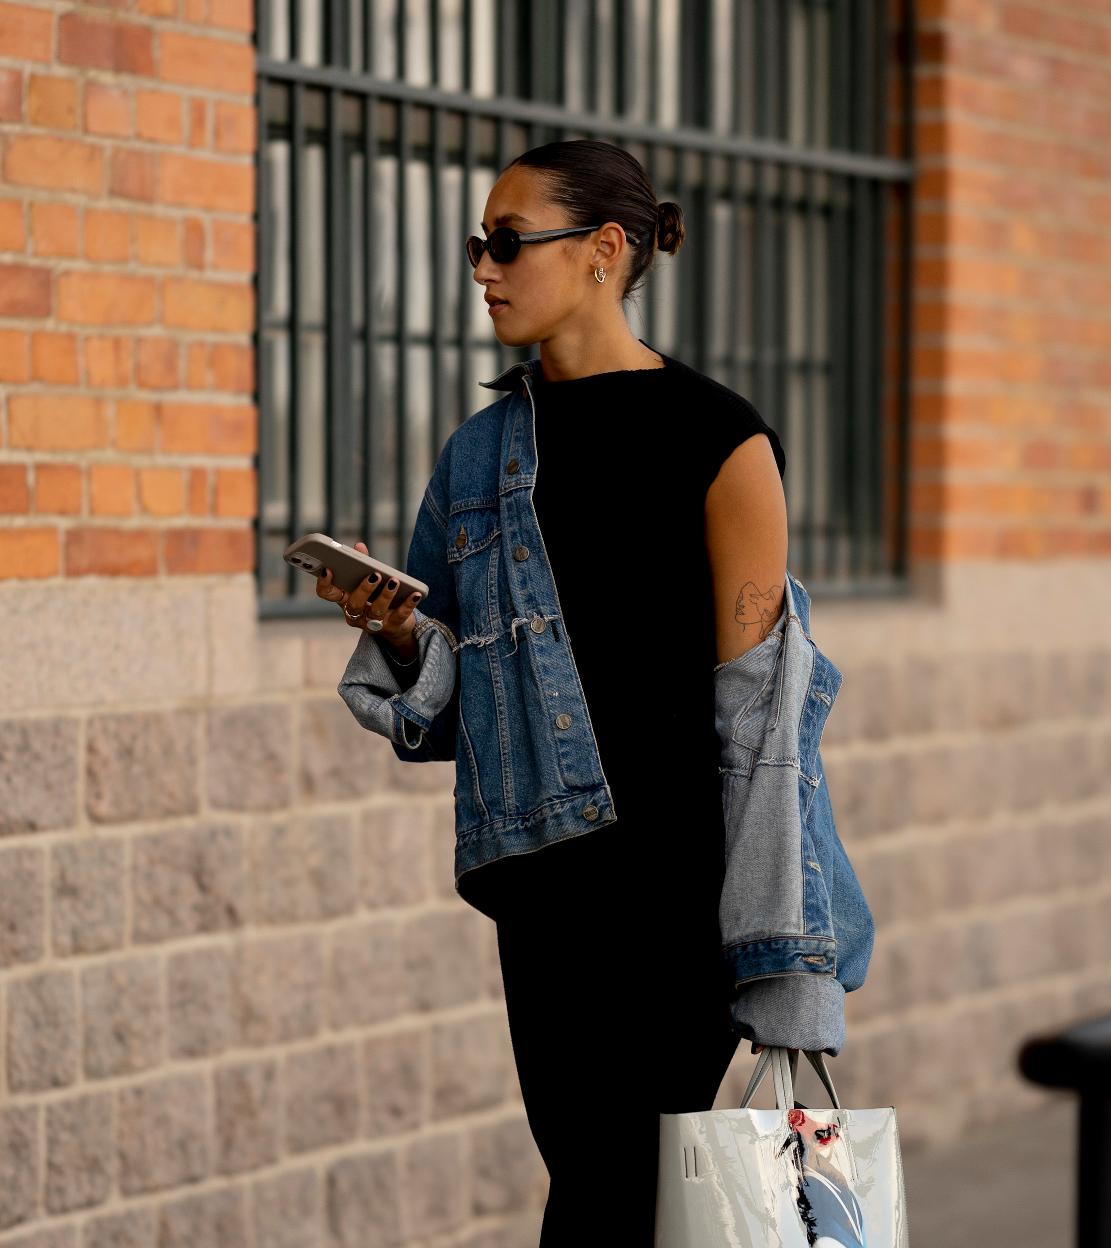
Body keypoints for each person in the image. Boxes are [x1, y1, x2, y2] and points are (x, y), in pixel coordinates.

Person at [318, 137, 798, 1245]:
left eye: (508, 242)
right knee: (603, 1187)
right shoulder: (478, 458)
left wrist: (785, 953)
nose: (484, 269)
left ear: (604, 249)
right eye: (477, 247)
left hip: (675, 898)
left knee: (607, 1196)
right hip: (540, 888)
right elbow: (449, 709)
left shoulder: (720, 441)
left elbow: (763, 721)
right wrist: (400, 633)